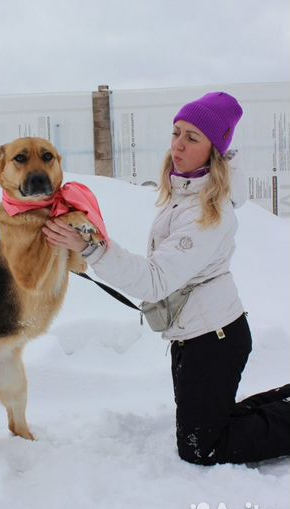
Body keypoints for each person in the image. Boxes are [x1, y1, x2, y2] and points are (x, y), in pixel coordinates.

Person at [42, 92, 290, 465]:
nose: (178, 145)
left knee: (202, 447)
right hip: (194, 336)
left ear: (214, 150)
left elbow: (156, 280)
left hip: (214, 339)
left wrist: (92, 248)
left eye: (192, 138)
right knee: (210, 422)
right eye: (176, 132)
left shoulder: (209, 212)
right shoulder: (185, 193)